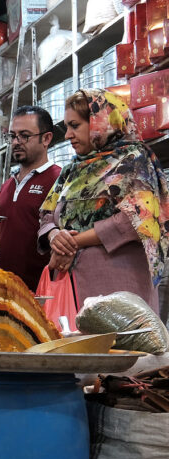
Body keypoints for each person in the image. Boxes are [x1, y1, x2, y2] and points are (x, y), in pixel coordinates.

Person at [39, 88, 169, 311]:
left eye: (75, 125)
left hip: (120, 290)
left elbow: (136, 220)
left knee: (119, 345)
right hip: (72, 290)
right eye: (67, 126)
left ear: (100, 121)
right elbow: (47, 214)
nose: (68, 134)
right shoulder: (73, 169)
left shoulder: (133, 160)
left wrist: (73, 242)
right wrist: (54, 237)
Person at [0, 105, 61, 288]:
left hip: (41, 292)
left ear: (46, 138)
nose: (16, 142)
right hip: (4, 289)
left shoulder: (59, 180)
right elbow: (0, 232)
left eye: (24, 135)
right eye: (12, 136)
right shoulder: (7, 186)